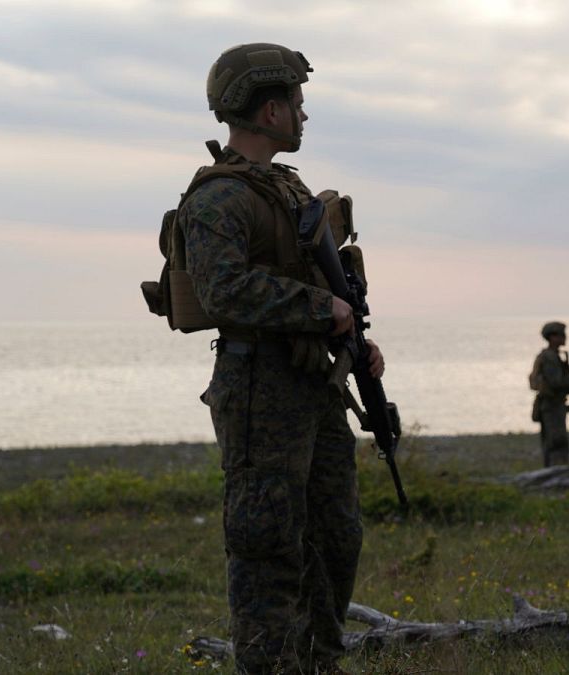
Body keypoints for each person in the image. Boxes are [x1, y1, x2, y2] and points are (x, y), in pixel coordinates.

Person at [178, 43, 382, 674]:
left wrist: (353, 340)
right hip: (259, 390)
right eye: (296, 102)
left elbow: (318, 284)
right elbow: (223, 289)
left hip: (312, 383)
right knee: (267, 548)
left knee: (334, 536)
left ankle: (321, 662)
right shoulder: (218, 198)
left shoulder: (288, 189)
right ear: (270, 111)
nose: (303, 114)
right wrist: (323, 312)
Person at [529, 321, 569, 467]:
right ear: (552, 337)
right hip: (551, 406)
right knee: (556, 442)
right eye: (561, 335)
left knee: (555, 442)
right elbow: (556, 382)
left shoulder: (555, 356)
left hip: (555, 405)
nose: (564, 337)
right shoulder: (549, 358)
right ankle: (556, 472)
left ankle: (557, 470)